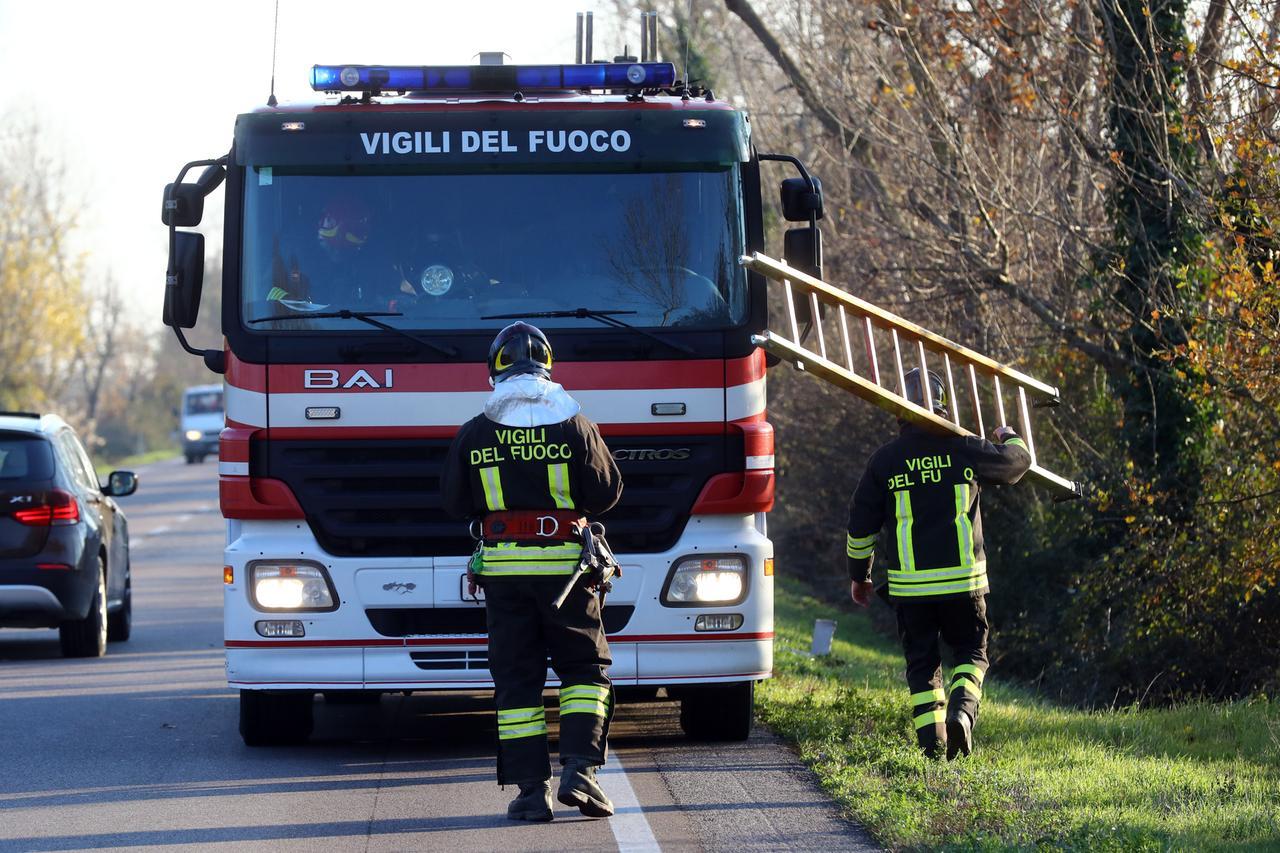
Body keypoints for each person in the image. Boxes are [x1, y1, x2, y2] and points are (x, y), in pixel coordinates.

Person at [440, 322, 624, 821]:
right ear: (548, 363)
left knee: (517, 681)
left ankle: (529, 794)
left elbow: (455, 502)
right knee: (585, 670)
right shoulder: (576, 424)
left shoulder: (475, 431)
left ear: (495, 369)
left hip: (504, 578)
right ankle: (581, 772)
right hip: (568, 574)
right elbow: (606, 492)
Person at [845, 368, 1031, 760]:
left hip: (912, 593)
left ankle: (932, 747)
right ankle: (963, 714)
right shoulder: (965, 448)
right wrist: (1007, 435)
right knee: (972, 653)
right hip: (965, 585)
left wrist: (859, 576)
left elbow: (861, 528)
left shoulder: (885, 461)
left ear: (899, 408)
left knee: (922, 665)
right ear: (944, 406)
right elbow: (1017, 463)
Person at [265, 196, 417, 309]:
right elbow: (265, 301)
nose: (337, 253)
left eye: (344, 250)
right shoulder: (293, 265)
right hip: (306, 332)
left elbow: (407, 301)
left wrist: (398, 301)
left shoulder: (377, 267)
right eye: (331, 248)